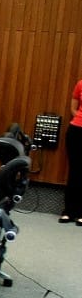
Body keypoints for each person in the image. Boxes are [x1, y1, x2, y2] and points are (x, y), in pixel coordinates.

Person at [64, 77, 82, 225]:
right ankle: (69, 211)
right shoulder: (80, 84)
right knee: (74, 171)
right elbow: (73, 108)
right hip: (77, 130)